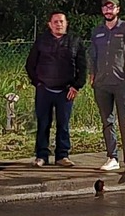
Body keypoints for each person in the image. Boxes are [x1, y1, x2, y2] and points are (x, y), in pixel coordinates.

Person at [24, 9, 86, 166]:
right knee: (43, 123)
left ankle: (62, 156)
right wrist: (37, 83)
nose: (59, 24)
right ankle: (41, 156)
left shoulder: (75, 41)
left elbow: (82, 66)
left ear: (66, 24)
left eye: (62, 21)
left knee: (63, 124)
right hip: (44, 90)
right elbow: (30, 64)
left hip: (66, 91)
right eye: (56, 22)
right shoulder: (41, 41)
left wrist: (76, 86)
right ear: (49, 25)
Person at [89, 0, 125, 178]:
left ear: (117, 9)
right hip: (102, 84)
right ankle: (112, 157)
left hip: (121, 83)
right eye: (105, 7)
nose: (108, 10)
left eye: (111, 7)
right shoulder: (97, 31)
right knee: (107, 121)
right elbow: (93, 55)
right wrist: (92, 76)